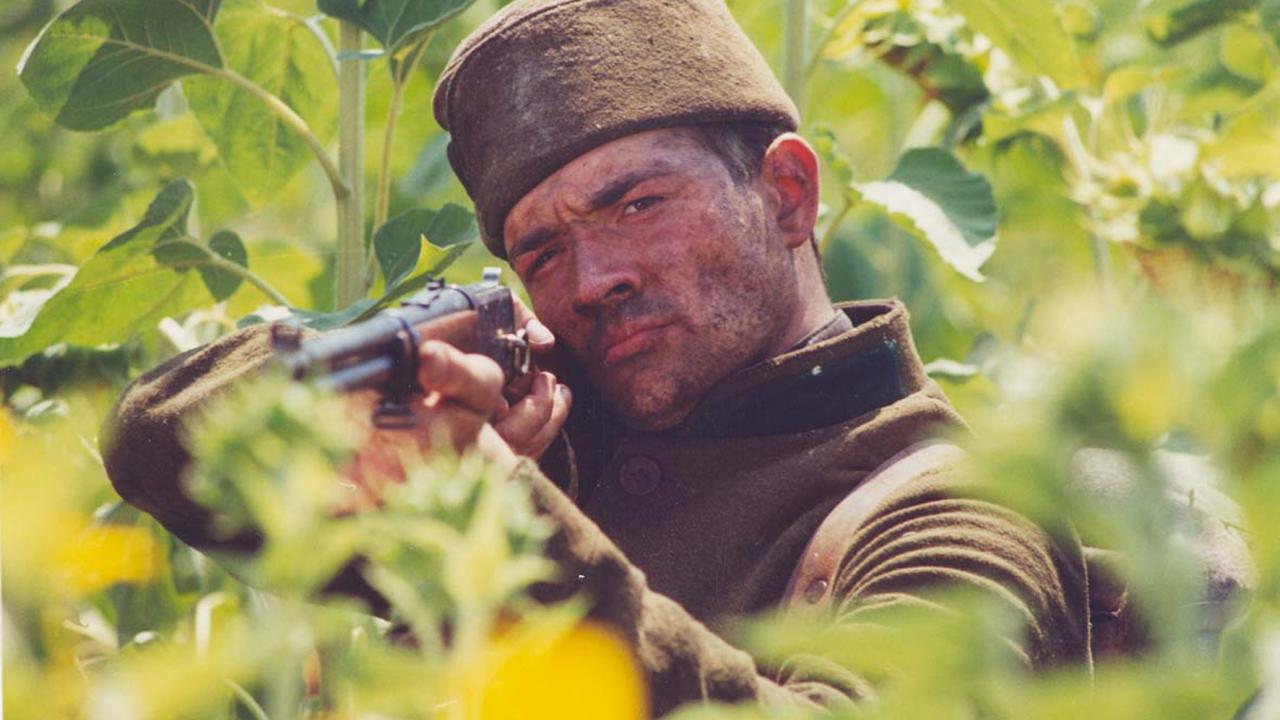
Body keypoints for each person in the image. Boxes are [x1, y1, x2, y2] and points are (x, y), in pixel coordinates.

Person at [103, 0, 1091, 714]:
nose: (591, 280)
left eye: (637, 204)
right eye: (540, 251)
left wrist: (497, 522)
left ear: (787, 194)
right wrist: (405, 363)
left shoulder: (957, 506)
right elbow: (155, 439)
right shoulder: (545, 435)